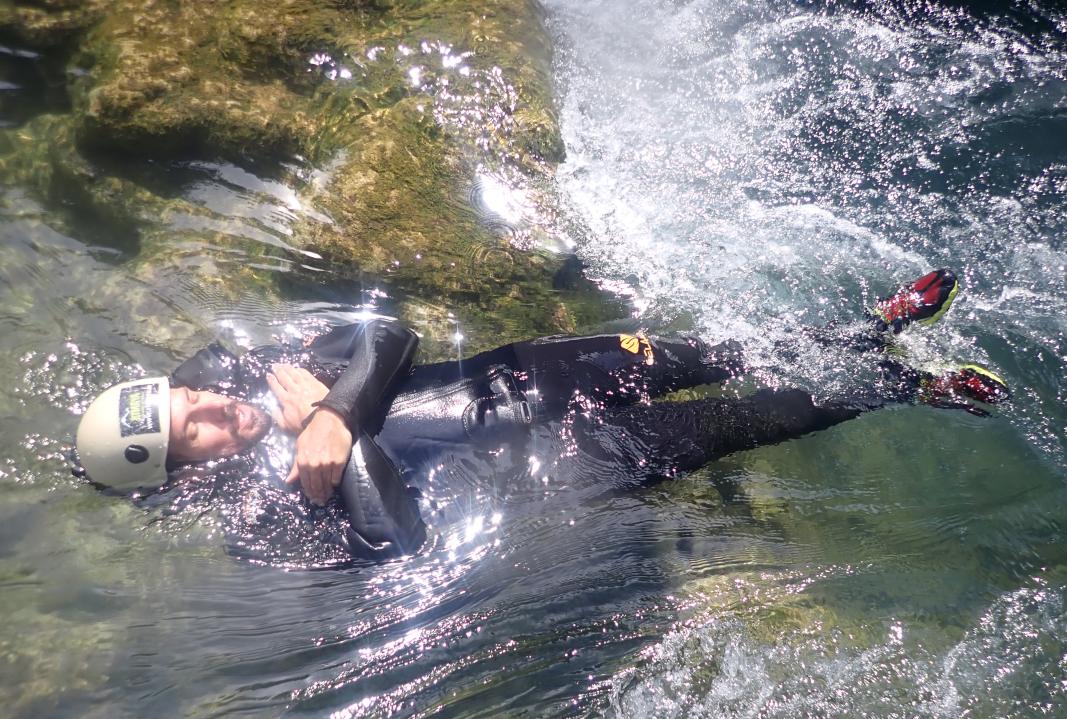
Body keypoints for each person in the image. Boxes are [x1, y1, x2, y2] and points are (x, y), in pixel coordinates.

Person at [74, 270, 1009, 564]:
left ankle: (869, 328)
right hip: (570, 460)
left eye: (188, 395)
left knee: (718, 354)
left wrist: (334, 410)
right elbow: (398, 542)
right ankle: (908, 389)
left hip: (533, 375)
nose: (213, 405)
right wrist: (335, 439)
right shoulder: (268, 522)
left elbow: (388, 333)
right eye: (191, 429)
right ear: (181, 474)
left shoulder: (263, 376)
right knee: (749, 419)